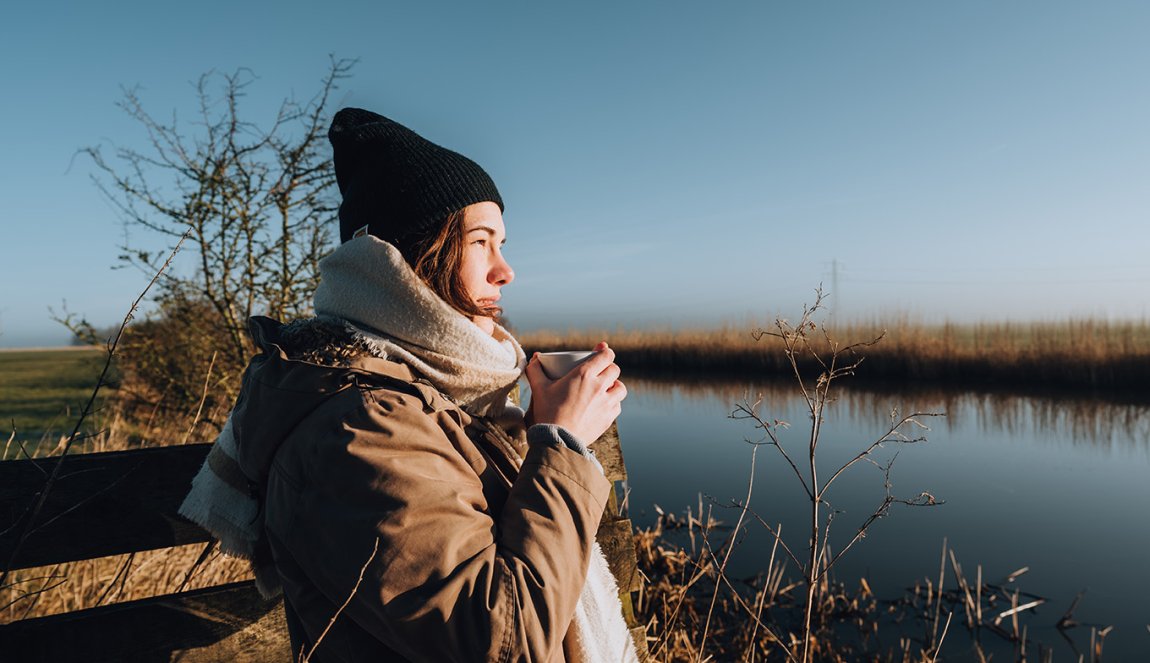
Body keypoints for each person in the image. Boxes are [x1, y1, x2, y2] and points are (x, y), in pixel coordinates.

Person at [179, 108, 639, 662]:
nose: (505, 270)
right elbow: (504, 642)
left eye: (503, 243)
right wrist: (562, 446)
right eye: (480, 242)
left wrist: (545, 432)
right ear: (407, 259)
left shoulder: (437, 396)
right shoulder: (358, 428)